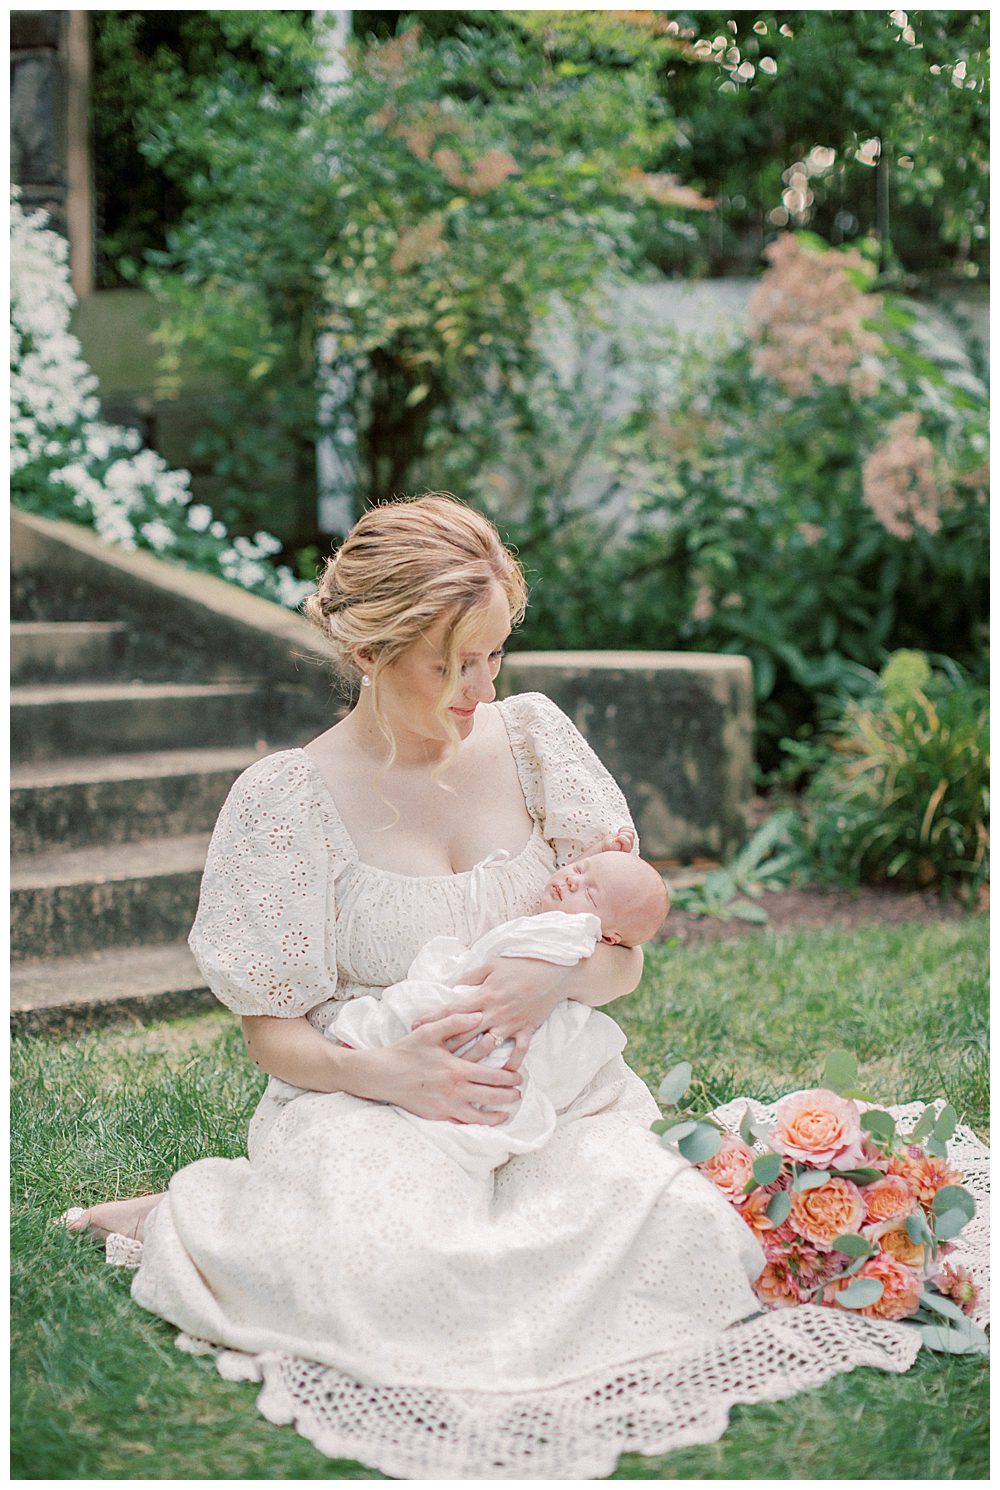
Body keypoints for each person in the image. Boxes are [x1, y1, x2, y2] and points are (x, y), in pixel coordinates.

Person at [62, 495, 919, 1479]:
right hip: (368, 1091)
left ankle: (288, 1217)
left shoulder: (531, 740)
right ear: (371, 650)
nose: (476, 688)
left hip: (549, 1090)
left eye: (492, 656)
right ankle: (206, 1213)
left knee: (681, 1230)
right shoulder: (285, 798)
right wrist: (397, 1074)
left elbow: (623, 956)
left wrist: (544, 984)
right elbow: (274, 1034)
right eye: (448, 663)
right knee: (405, 1268)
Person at [317, 845, 669, 1179]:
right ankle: (378, 1051)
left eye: (590, 893)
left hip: (513, 1027)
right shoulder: (570, 914)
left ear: (606, 937)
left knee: (449, 1025)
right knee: (428, 1011)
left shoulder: (573, 933)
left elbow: (620, 959)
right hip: (431, 1036)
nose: (573, 879)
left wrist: (558, 973)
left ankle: (382, 1043)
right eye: (577, 867)